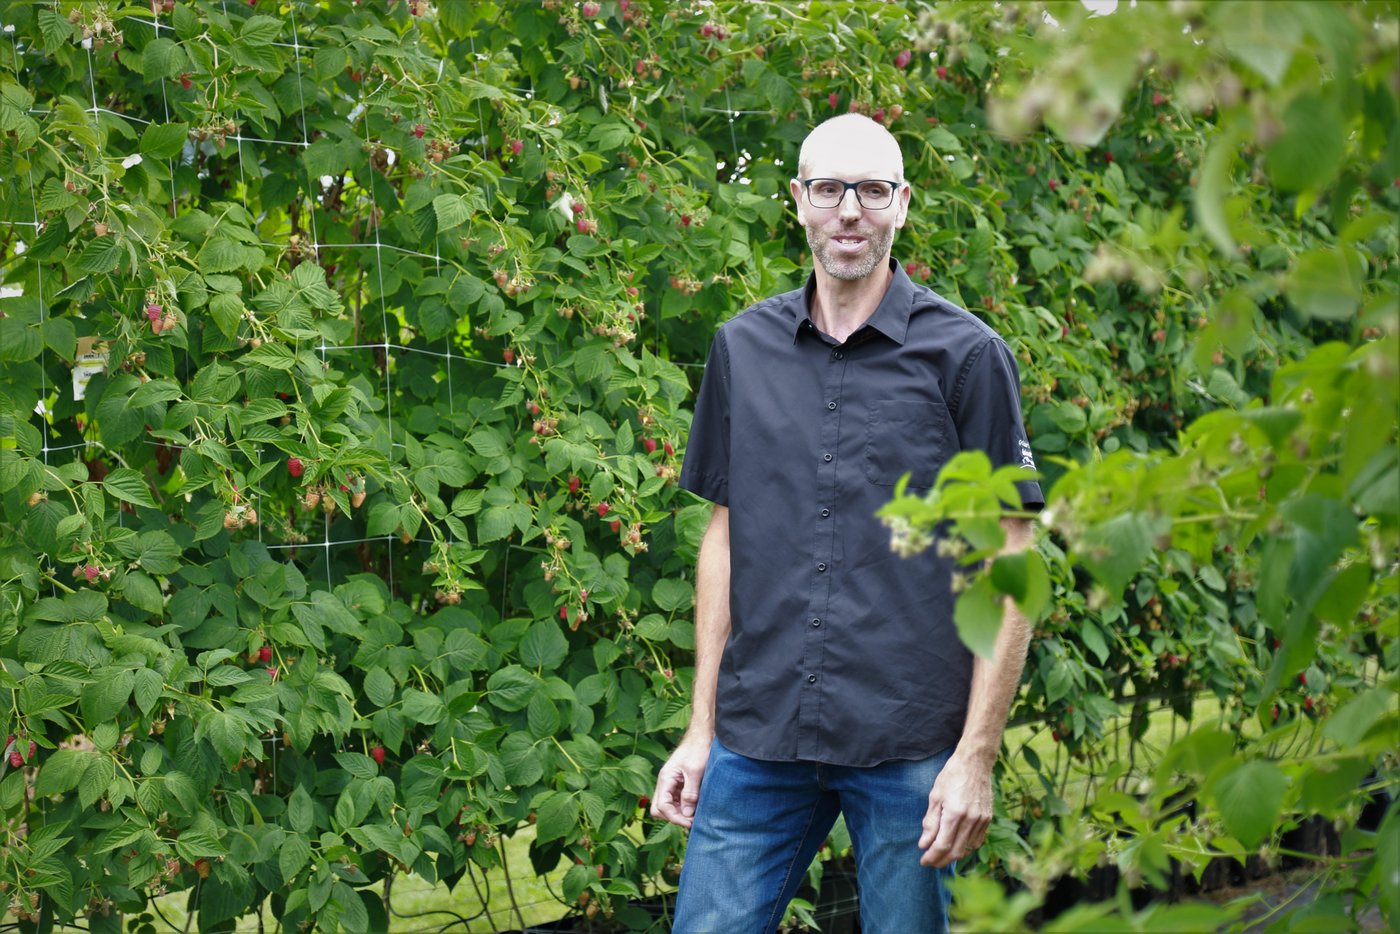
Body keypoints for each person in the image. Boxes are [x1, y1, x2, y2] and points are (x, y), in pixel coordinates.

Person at [650, 113, 1045, 934]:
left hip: (908, 746)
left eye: (871, 191)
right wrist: (700, 731)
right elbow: (725, 538)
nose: (849, 212)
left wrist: (976, 756)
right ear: (798, 201)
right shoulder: (741, 349)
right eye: (829, 189)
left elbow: (1012, 559)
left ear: (903, 203)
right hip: (759, 742)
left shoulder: (967, 359)